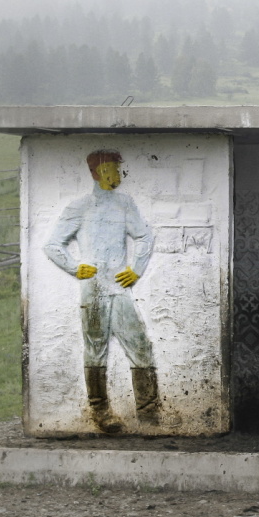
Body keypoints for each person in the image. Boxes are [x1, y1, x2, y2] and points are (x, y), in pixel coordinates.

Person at [43, 149, 159, 433]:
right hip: (93, 289)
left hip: (119, 287)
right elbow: (53, 245)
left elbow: (144, 235)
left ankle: (150, 414)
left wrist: (137, 269)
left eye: (118, 168)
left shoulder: (125, 203)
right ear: (96, 173)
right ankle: (101, 413)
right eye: (110, 169)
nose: (116, 174)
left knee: (140, 345)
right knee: (96, 348)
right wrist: (74, 267)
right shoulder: (79, 207)